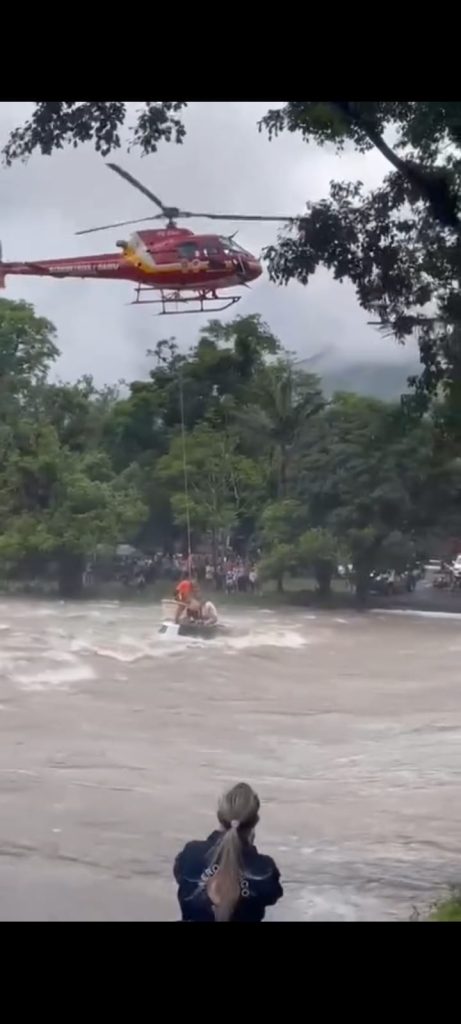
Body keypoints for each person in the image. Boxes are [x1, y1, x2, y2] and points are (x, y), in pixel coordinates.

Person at [173, 782, 283, 922]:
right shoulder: (264, 869)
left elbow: (180, 875)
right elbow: (272, 895)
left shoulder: (191, 854)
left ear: (219, 815)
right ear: (255, 821)